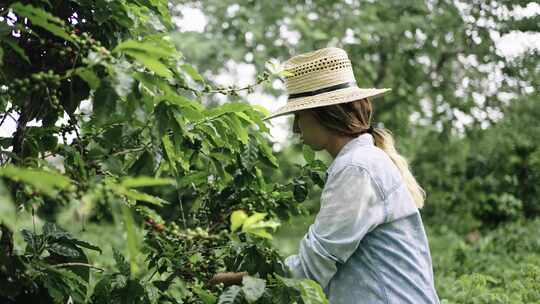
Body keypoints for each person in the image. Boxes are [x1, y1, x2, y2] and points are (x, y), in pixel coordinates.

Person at [210, 47, 440, 304]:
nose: (296, 127)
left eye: (299, 115)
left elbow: (311, 269)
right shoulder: (364, 161)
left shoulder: (356, 168)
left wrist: (240, 280)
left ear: (323, 114)